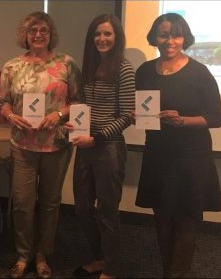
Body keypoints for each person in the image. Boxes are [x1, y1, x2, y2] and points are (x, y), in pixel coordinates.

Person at [134, 13, 221, 278]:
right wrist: (137, 115)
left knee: (186, 220)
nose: (169, 40)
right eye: (164, 34)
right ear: (155, 37)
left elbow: (216, 118)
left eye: (175, 34)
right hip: (157, 154)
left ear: (184, 38)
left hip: (191, 157)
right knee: (162, 220)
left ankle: (178, 273)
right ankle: (167, 271)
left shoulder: (200, 72)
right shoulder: (144, 71)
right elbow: (143, 111)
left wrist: (182, 120)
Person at [0, 11, 82, 279]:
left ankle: (42, 254)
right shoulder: (11, 66)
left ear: (50, 34)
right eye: (33, 30)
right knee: (22, 203)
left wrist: (58, 115)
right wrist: (11, 116)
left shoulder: (66, 63)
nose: (38, 35)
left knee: (49, 203)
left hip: (56, 145)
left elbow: (78, 102)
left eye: (43, 30)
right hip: (22, 145)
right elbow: (3, 103)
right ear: (25, 34)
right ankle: (23, 255)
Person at [69, 14, 135, 279]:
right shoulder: (87, 66)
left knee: (108, 211)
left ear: (116, 37)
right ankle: (98, 258)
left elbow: (128, 115)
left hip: (109, 147)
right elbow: (83, 108)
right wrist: (73, 124)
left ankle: (111, 268)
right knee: (83, 208)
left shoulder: (124, 68)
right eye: (97, 34)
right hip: (85, 144)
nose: (102, 39)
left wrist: (96, 138)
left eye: (107, 34)